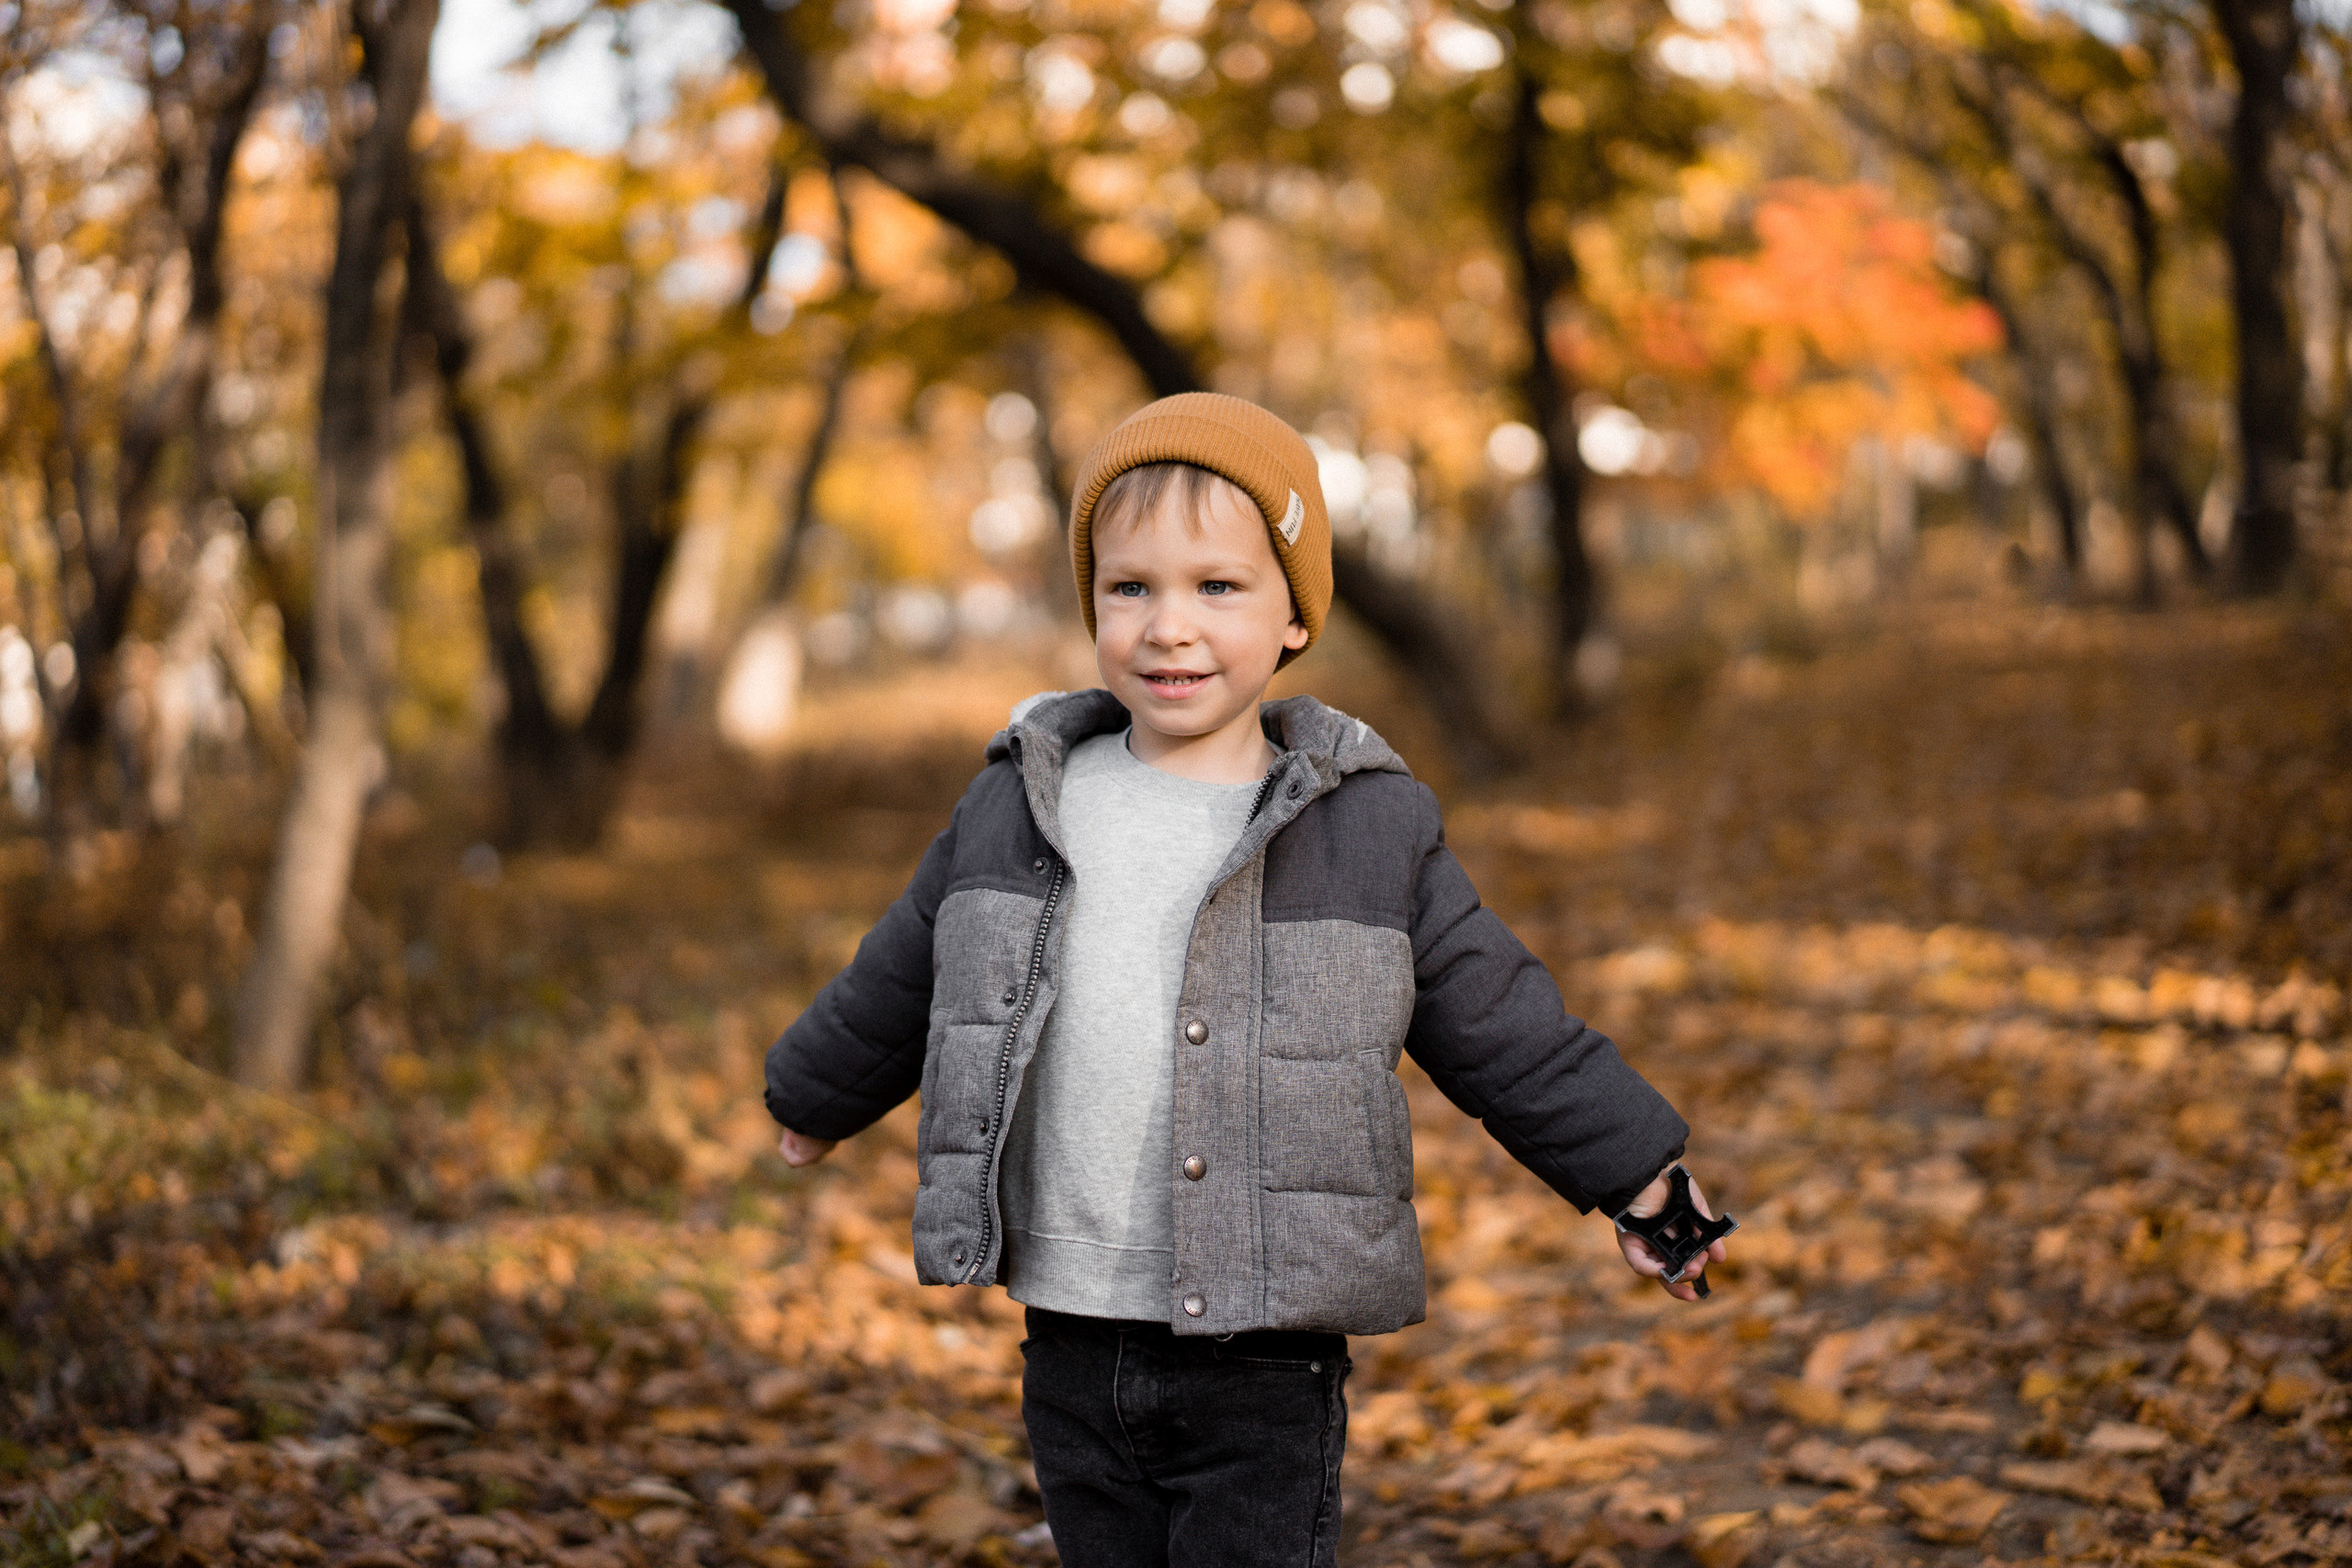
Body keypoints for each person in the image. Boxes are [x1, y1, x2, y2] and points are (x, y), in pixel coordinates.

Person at [763, 392, 1728, 1567]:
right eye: (1132, 588)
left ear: (1292, 618)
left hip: (1267, 1339)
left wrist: (1637, 1174)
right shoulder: (1022, 795)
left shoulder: (1365, 827)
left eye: (1217, 588)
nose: (1171, 626)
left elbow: (1502, 1019)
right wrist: (814, 1092)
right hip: (1070, 1322)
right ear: (1093, 606)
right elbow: (910, 966)